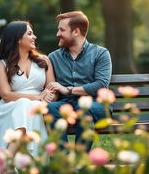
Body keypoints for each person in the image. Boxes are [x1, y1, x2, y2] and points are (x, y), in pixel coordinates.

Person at [0, 20, 55, 158]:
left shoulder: (44, 61)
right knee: (24, 103)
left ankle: (8, 157)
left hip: (38, 107)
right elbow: (6, 95)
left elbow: (52, 90)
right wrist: (37, 97)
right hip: (10, 108)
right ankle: (13, 159)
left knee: (32, 107)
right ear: (18, 39)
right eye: (30, 34)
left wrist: (46, 99)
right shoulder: (2, 65)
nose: (34, 37)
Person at [46, 11, 112, 150]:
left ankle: (80, 161)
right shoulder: (53, 57)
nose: (57, 34)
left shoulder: (100, 53)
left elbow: (101, 85)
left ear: (76, 31)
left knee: (84, 108)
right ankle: (64, 162)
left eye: (62, 30)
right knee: (51, 108)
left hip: (96, 105)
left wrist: (68, 89)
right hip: (67, 104)